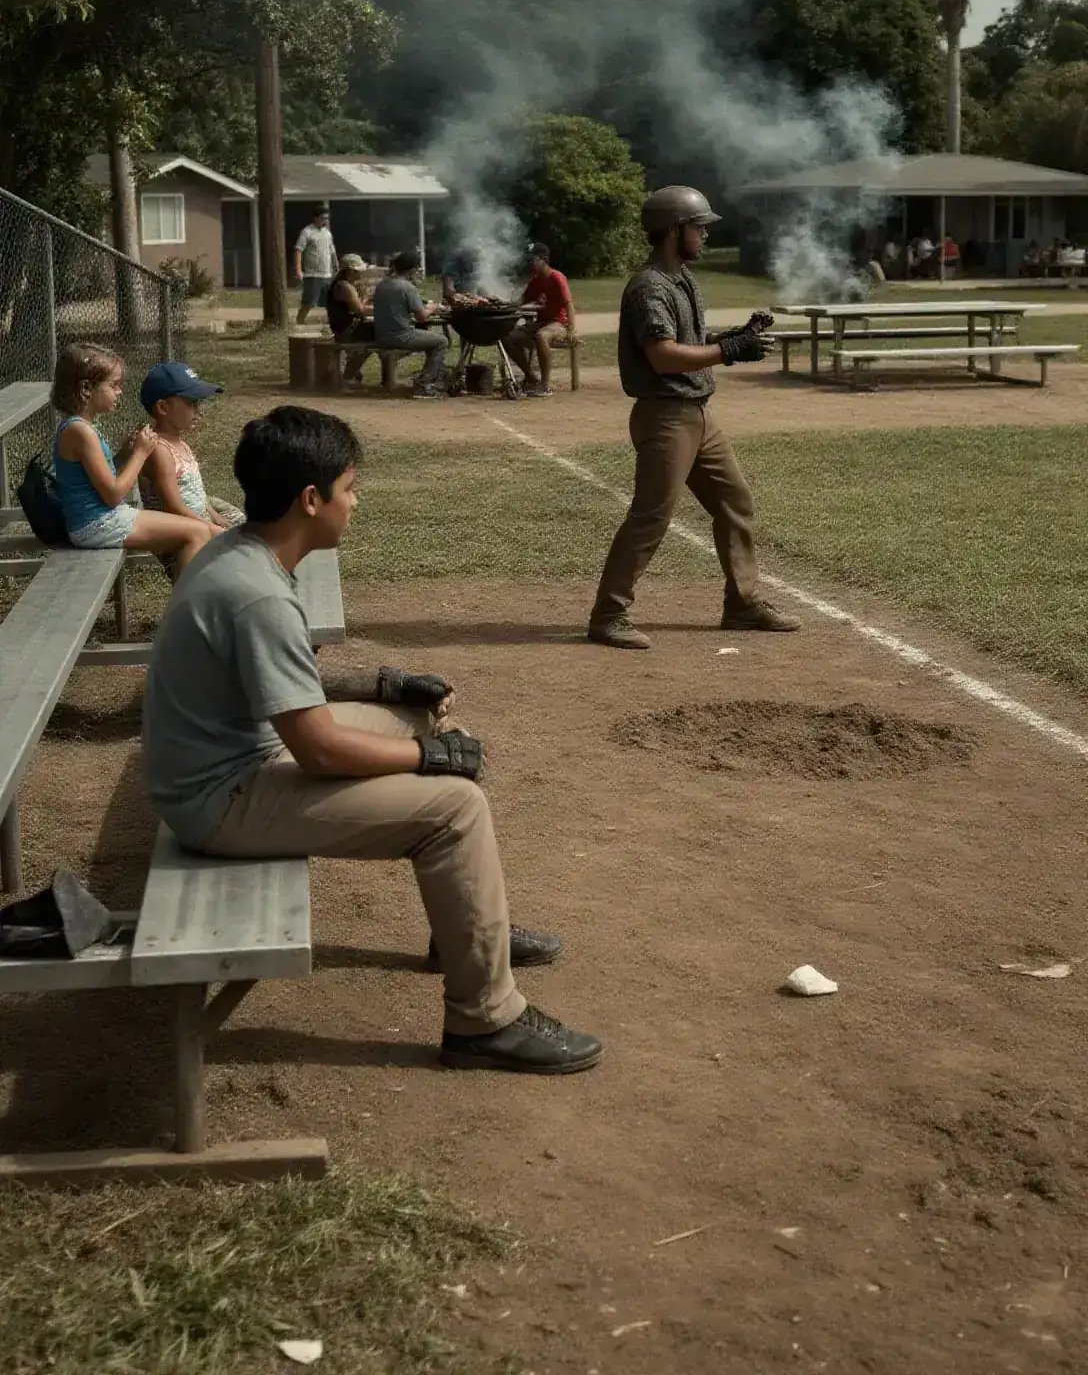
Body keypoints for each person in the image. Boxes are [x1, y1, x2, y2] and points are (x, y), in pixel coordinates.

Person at [141, 405, 603, 1075]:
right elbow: (318, 750)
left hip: (233, 764)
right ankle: (484, 1021)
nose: (356, 502)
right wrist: (427, 760)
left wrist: (381, 685)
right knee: (454, 807)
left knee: (429, 726)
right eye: (350, 488)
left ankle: (465, 936)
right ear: (310, 499)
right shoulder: (257, 593)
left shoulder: (243, 551)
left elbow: (281, 680)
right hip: (219, 800)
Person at [586, 187, 800, 650]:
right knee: (652, 517)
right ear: (674, 231)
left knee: (735, 502)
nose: (705, 235)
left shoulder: (684, 281)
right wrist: (728, 351)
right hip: (666, 416)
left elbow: (691, 340)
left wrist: (737, 337)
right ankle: (608, 615)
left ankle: (742, 604)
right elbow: (663, 356)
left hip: (698, 414)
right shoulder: (649, 288)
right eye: (699, 227)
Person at [51, 343, 215, 571]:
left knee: (198, 531)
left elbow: (103, 481)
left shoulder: (82, 427)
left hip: (101, 520)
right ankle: (184, 603)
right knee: (198, 531)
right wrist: (140, 453)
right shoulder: (80, 431)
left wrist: (125, 455)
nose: (120, 392)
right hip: (97, 525)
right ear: (87, 389)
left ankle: (188, 597)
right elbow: (113, 494)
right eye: (114, 385)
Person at [137, 362, 245, 579]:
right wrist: (210, 528)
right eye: (191, 403)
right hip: (180, 539)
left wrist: (214, 516)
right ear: (163, 408)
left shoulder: (180, 443)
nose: (198, 411)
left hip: (198, 521)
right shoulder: (159, 450)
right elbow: (173, 507)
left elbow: (195, 490)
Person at [502, 243, 577, 398]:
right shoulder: (535, 281)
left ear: (544, 259)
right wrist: (506, 304)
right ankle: (530, 377)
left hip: (558, 323)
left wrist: (571, 329)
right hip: (541, 323)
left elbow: (569, 305)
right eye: (528, 260)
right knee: (507, 337)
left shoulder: (557, 277)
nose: (530, 264)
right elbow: (522, 302)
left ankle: (545, 385)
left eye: (533, 260)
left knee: (542, 336)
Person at [372, 249, 447, 397]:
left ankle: (432, 378)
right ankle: (425, 384)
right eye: (417, 269)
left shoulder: (382, 284)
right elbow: (422, 318)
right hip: (401, 336)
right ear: (412, 270)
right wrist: (434, 307)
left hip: (381, 335)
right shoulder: (407, 287)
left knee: (433, 339)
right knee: (442, 341)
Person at [326, 254, 374, 383]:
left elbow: (358, 305)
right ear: (351, 271)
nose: (362, 273)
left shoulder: (349, 285)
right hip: (346, 329)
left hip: (350, 326)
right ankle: (348, 376)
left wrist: (367, 297)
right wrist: (385, 310)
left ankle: (352, 374)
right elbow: (360, 310)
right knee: (378, 337)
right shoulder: (344, 286)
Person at [293, 206, 338, 326]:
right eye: (323, 218)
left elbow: (331, 250)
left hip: (327, 274)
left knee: (329, 302)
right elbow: (298, 250)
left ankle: (331, 324)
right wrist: (298, 269)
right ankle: (299, 323)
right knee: (309, 302)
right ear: (316, 218)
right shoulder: (307, 232)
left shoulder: (327, 233)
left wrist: (335, 264)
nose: (326, 221)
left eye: (327, 219)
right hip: (313, 274)